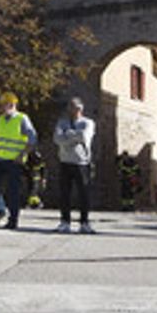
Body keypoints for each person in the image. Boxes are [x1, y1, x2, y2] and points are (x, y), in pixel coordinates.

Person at [0, 91, 36, 230]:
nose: (2, 108)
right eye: (2, 105)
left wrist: (23, 155)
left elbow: (32, 138)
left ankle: (13, 220)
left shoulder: (22, 119)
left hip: (14, 162)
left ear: (12, 105)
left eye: (5, 105)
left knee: (13, 192)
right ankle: (0, 210)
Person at [53, 97, 96, 234]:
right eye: (71, 107)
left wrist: (68, 135)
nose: (74, 111)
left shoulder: (88, 122)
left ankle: (84, 223)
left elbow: (84, 137)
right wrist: (73, 137)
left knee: (84, 194)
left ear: (81, 109)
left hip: (82, 162)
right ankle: (65, 222)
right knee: (64, 194)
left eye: (77, 108)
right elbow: (57, 139)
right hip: (65, 162)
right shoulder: (62, 122)